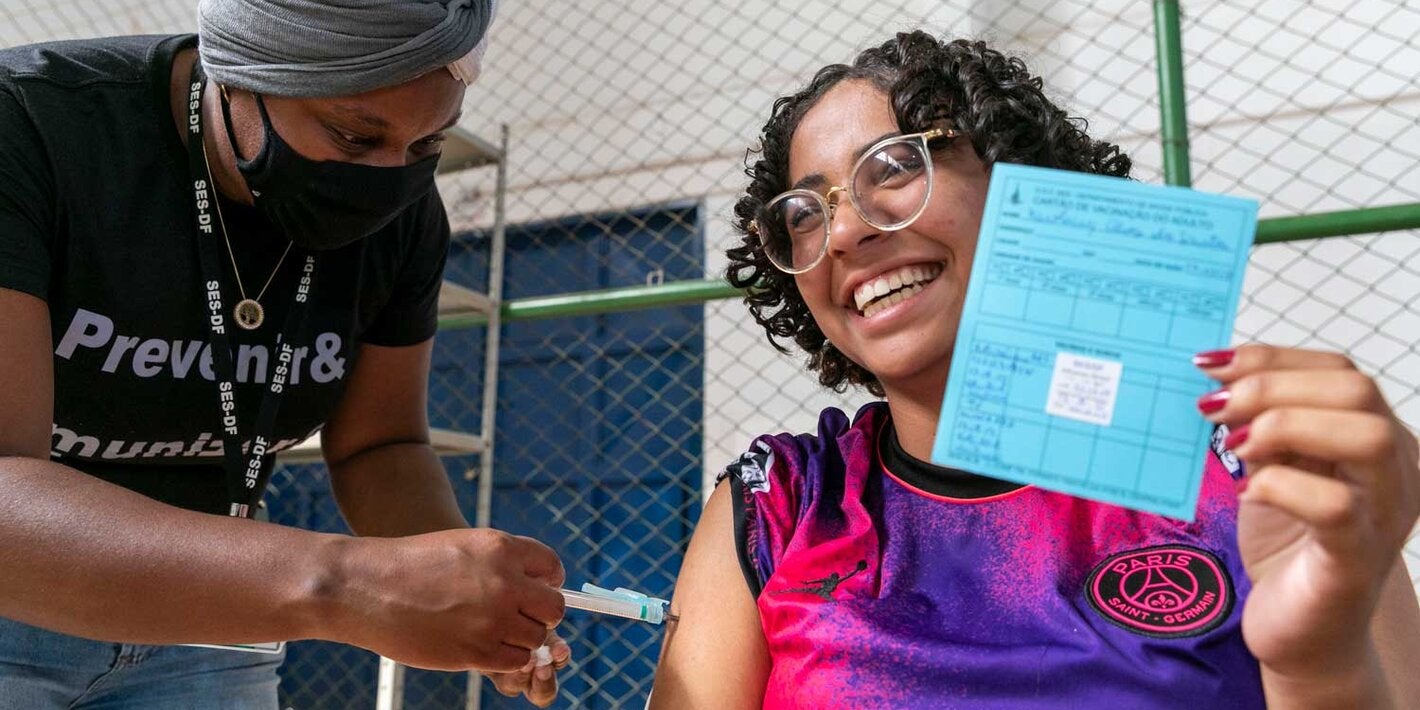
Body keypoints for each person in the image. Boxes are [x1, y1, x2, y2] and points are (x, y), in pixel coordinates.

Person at [651, 31, 1420, 708]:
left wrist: (1319, 659)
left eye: (892, 168)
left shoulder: (1261, 476)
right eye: (805, 212)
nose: (845, 229)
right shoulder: (781, 507)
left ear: (1022, 183)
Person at [0, 0, 568, 706]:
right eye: (355, 136)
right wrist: (345, 586)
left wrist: (469, 590)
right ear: (239, 77)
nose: (390, 178)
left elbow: (380, 445)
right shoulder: (27, 127)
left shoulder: (403, 217)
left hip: (215, 620)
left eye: (429, 145)